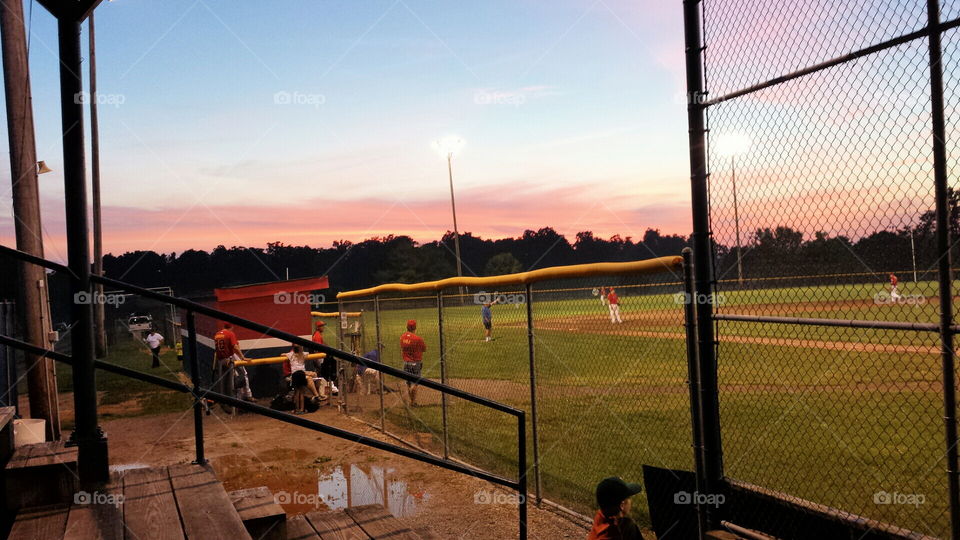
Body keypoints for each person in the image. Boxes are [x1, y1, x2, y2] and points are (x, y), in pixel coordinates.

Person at [213, 323, 245, 413]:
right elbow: (235, 346)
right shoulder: (230, 334)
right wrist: (242, 357)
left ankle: (225, 402)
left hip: (220, 360)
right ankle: (236, 403)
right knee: (237, 378)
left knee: (224, 381)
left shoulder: (217, 334)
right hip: (228, 359)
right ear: (231, 327)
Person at [284, 343, 325, 414]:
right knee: (302, 393)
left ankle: (296, 409)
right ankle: (302, 409)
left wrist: (286, 353)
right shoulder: (303, 354)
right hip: (301, 374)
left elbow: (282, 355)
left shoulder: (290, 355)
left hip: (295, 374)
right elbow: (308, 353)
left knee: (297, 393)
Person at [400, 320, 426, 406]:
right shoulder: (418, 339)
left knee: (408, 382)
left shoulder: (402, 337)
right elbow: (424, 349)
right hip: (415, 363)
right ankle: (413, 401)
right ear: (415, 328)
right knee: (415, 383)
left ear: (407, 327)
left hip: (406, 362)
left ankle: (412, 402)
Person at [313, 320, 339, 395]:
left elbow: (323, 344)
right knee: (327, 371)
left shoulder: (317, 334)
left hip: (319, 357)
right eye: (322, 326)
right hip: (319, 357)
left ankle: (331, 389)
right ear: (318, 327)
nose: (323, 327)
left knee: (325, 373)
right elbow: (319, 348)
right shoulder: (317, 335)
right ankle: (333, 389)